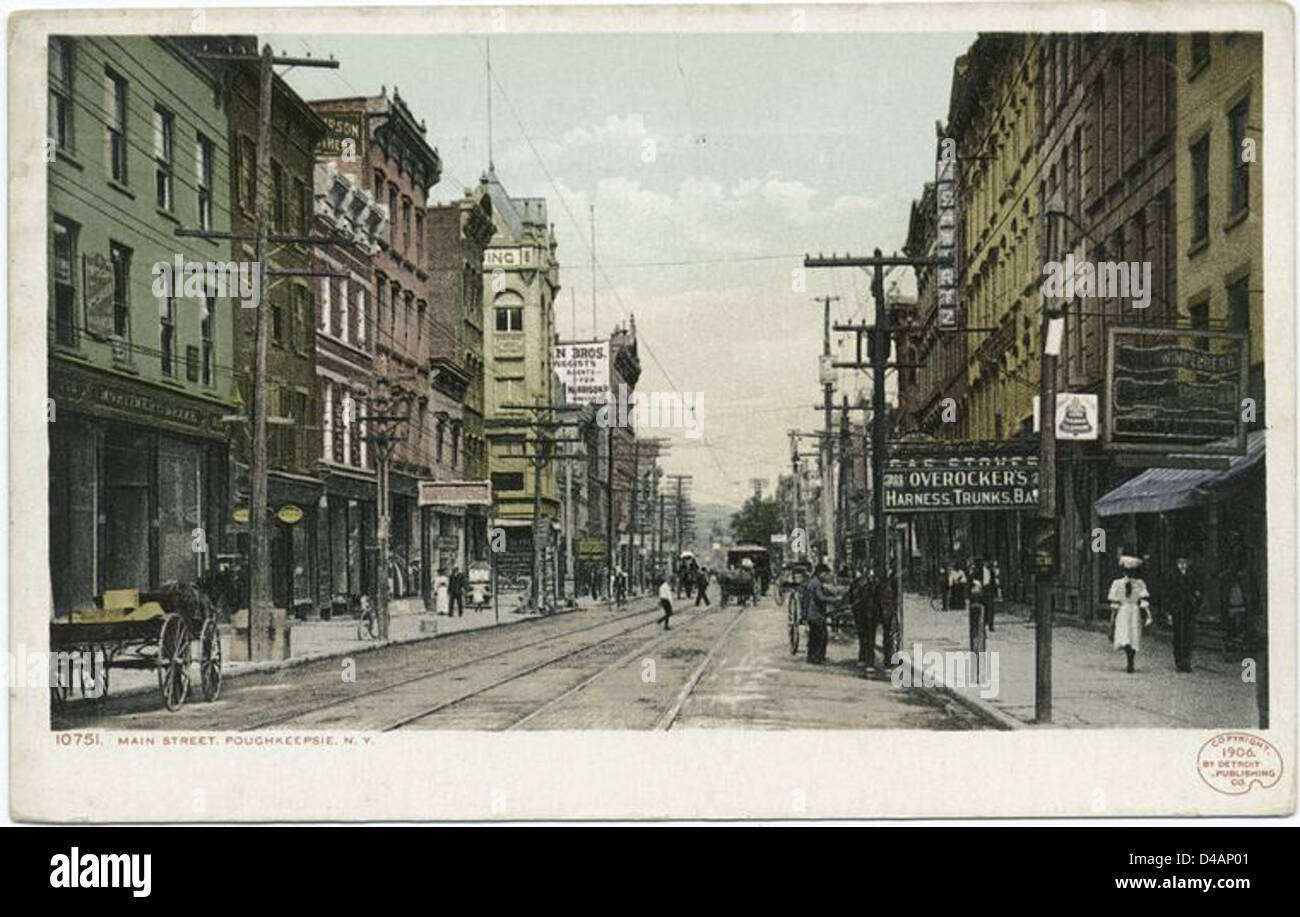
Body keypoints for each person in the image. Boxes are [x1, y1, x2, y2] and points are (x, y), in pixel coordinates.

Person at [1108, 554, 1152, 673]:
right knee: (1133, 634)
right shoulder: (1139, 584)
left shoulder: (1117, 584)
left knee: (1126, 634)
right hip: (1134, 611)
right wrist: (1147, 615)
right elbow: (1143, 601)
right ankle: (1131, 659)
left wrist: (1112, 618)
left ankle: (1129, 658)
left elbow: (1115, 603)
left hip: (1123, 611)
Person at [1164, 554, 1200, 672]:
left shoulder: (1193, 574)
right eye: (1181, 562)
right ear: (1177, 563)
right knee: (1178, 635)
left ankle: (1187, 660)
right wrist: (1169, 609)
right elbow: (1167, 593)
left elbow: (1198, 589)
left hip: (1189, 608)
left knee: (1189, 636)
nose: (1183, 565)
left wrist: (1196, 601)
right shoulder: (1171, 574)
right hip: (1177, 608)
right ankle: (1179, 661)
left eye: (1185, 562)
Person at [801, 563, 835, 664]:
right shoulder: (816, 583)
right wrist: (834, 600)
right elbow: (821, 598)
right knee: (821, 636)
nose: (827, 576)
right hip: (816, 614)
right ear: (820, 573)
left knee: (814, 637)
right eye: (825, 574)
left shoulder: (813, 582)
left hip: (812, 614)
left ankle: (811, 656)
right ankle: (818, 657)